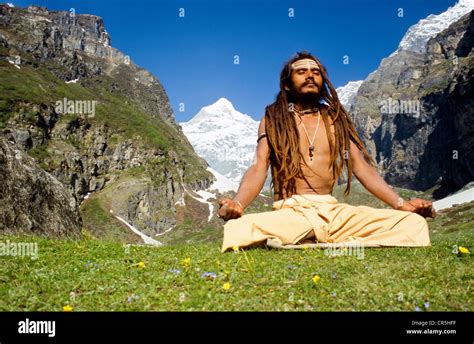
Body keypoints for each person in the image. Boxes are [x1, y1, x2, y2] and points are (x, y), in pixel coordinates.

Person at [218, 51, 435, 253]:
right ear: (287, 84)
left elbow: (361, 167)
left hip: (332, 211)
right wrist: (238, 203)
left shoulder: (335, 119)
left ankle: (306, 240)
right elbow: (259, 167)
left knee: (413, 223)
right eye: (301, 72)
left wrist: (401, 204)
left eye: (316, 72)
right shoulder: (273, 118)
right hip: (290, 211)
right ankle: (324, 239)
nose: (310, 76)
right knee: (239, 229)